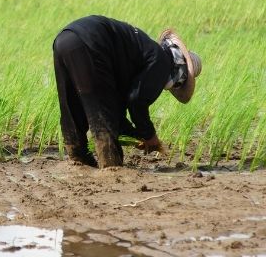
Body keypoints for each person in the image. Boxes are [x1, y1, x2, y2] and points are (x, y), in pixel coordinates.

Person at [52, 15, 202, 168]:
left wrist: (136, 136)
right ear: (180, 71)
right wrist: (149, 135)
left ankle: (77, 159)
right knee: (102, 120)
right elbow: (136, 101)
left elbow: (117, 111)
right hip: (90, 43)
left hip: (63, 39)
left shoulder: (142, 54)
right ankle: (111, 168)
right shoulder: (161, 62)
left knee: (72, 105)